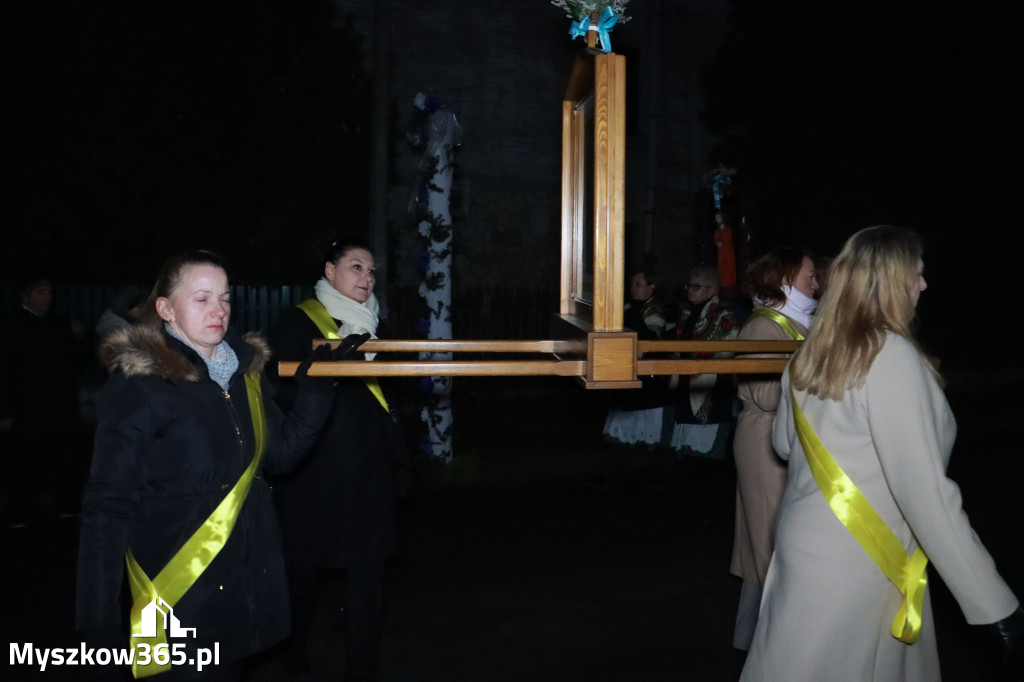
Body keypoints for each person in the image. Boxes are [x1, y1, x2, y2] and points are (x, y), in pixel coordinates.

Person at [741, 225, 1024, 681]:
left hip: (804, 550)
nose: (924, 284)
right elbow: (927, 495)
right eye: (918, 273)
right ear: (893, 281)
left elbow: (784, 444)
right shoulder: (889, 356)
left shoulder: (810, 352)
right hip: (864, 560)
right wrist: (995, 607)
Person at [75, 250, 351, 681]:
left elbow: (280, 456)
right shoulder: (140, 386)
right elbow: (107, 508)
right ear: (165, 309)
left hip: (244, 601)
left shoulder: (244, 377)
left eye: (224, 298)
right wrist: (96, 622)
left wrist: (316, 390)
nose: (219, 310)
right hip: (178, 604)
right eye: (201, 299)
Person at [269, 237, 413, 682]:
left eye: (371, 271)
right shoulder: (298, 321)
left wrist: (399, 457)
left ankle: (362, 667)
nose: (366, 279)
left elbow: (392, 396)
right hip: (317, 473)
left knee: (369, 580)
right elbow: (282, 392)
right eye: (356, 267)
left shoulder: (377, 325)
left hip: (370, 470)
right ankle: (292, 655)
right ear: (329, 273)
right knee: (303, 577)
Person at [730, 245, 818, 651]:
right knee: (771, 544)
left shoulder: (795, 322)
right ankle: (778, 649)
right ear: (784, 282)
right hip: (765, 439)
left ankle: (755, 641)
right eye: (808, 277)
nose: (815, 284)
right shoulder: (765, 327)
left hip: (783, 437)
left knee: (768, 545)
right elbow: (766, 395)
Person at [1, 274, 89, 524]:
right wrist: (5, 411)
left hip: (61, 408)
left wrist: (80, 336)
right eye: (41, 292)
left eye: (49, 292)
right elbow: (4, 370)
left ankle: (68, 507)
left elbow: (79, 358)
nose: (48, 297)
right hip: (26, 409)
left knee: (66, 461)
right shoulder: (10, 325)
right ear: (25, 296)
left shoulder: (59, 324)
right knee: (27, 463)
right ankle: (20, 512)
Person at [588, 269, 669, 489]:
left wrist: (632, 319)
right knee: (623, 426)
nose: (633, 288)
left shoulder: (655, 310)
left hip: (649, 379)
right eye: (632, 284)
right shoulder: (629, 308)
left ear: (652, 286)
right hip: (630, 375)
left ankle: (669, 478)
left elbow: (650, 339)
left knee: (654, 430)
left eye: (638, 284)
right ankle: (607, 475)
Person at [665, 265, 738, 466]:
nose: (690, 290)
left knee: (704, 451)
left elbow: (730, 349)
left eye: (696, 286)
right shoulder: (687, 312)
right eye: (689, 285)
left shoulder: (723, 315)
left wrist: (704, 365)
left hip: (710, 387)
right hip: (685, 383)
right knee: (683, 443)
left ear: (711, 290)